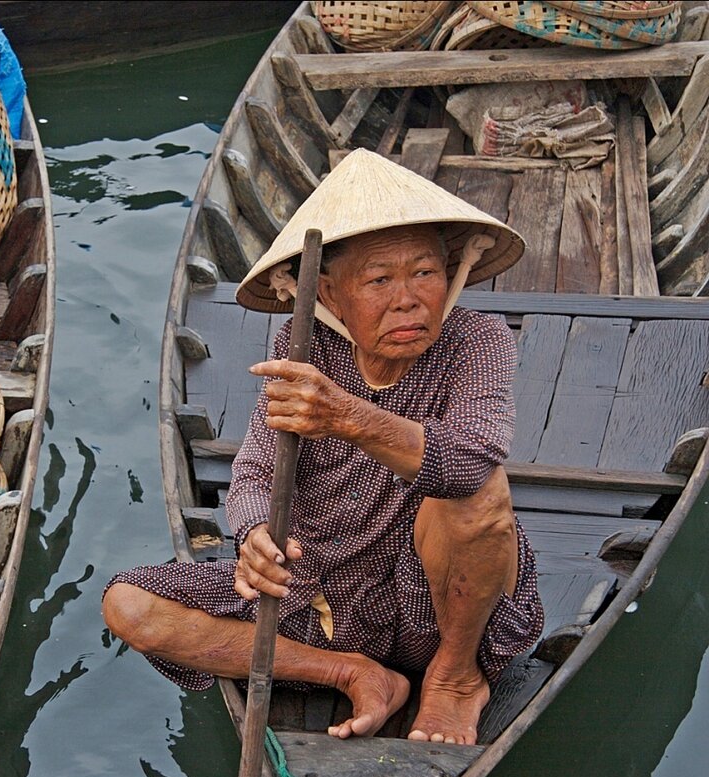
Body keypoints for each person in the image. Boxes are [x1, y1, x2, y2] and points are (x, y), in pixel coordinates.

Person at [102, 149, 544, 745]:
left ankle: (457, 679)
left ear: (451, 273)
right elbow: (256, 471)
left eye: (425, 272)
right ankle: (355, 674)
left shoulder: (476, 340)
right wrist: (255, 532)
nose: (410, 298)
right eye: (379, 279)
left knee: (477, 490)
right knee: (128, 607)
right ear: (331, 296)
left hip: (438, 607)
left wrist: (348, 416)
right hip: (322, 599)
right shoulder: (303, 343)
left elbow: (469, 462)